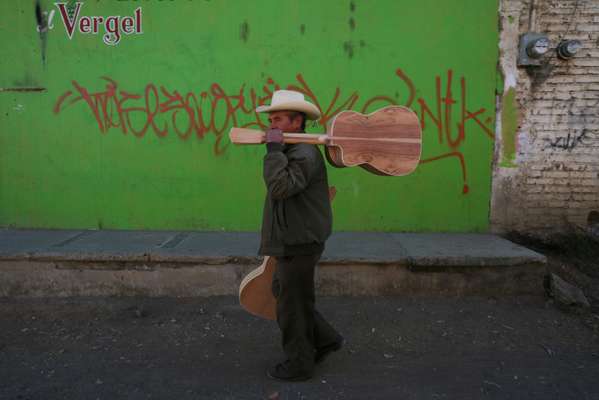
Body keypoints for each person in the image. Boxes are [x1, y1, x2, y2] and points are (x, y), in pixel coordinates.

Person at [256, 90, 344, 381]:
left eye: (278, 119)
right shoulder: (292, 150)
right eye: (270, 119)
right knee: (288, 296)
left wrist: (272, 153)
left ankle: (299, 364)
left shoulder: (304, 153)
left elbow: (280, 188)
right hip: (293, 237)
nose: (271, 124)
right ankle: (325, 339)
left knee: (291, 307)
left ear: (296, 122)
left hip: (300, 241)